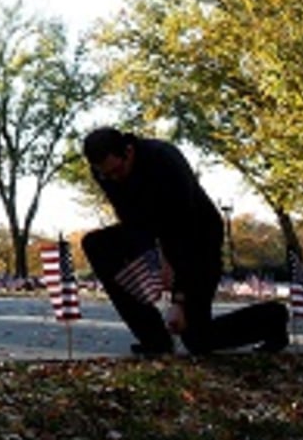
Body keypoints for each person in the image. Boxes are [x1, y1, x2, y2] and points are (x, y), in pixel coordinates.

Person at [80, 126, 289, 356]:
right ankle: (155, 340)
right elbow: (128, 216)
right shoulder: (104, 171)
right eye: (105, 175)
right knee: (96, 244)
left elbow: (183, 230)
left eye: (117, 171)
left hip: (199, 237)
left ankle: (273, 318)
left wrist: (179, 299)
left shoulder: (165, 159)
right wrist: (150, 260)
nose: (113, 179)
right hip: (150, 230)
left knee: (198, 340)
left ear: (128, 151)